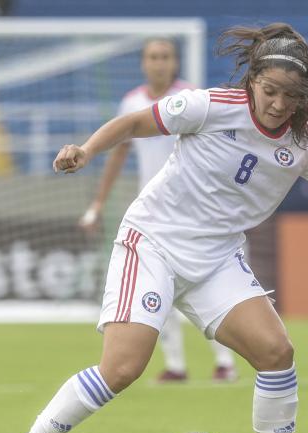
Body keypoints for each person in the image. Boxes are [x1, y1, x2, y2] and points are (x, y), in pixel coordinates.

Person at [0, 22, 308, 433]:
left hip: (216, 258)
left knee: (277, 353)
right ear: (252, 82)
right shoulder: (210, 105)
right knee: (122, 369)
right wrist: (86, 149)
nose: (277, 104)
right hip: (154, 242)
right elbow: (133, 125)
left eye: (289, 95)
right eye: (269, 91)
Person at [79, 37, 238, 383]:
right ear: (143, 63)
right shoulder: (131, 103)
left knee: (209, 284)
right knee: (156, 290)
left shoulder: (192, 99)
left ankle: (225, 362)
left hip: (197, 210)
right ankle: (176, 365)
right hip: (154, 213)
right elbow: (119, 153)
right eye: (153, 57)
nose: (159, 63)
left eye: (165, 56)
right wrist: (98, 203)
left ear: (175, 62)